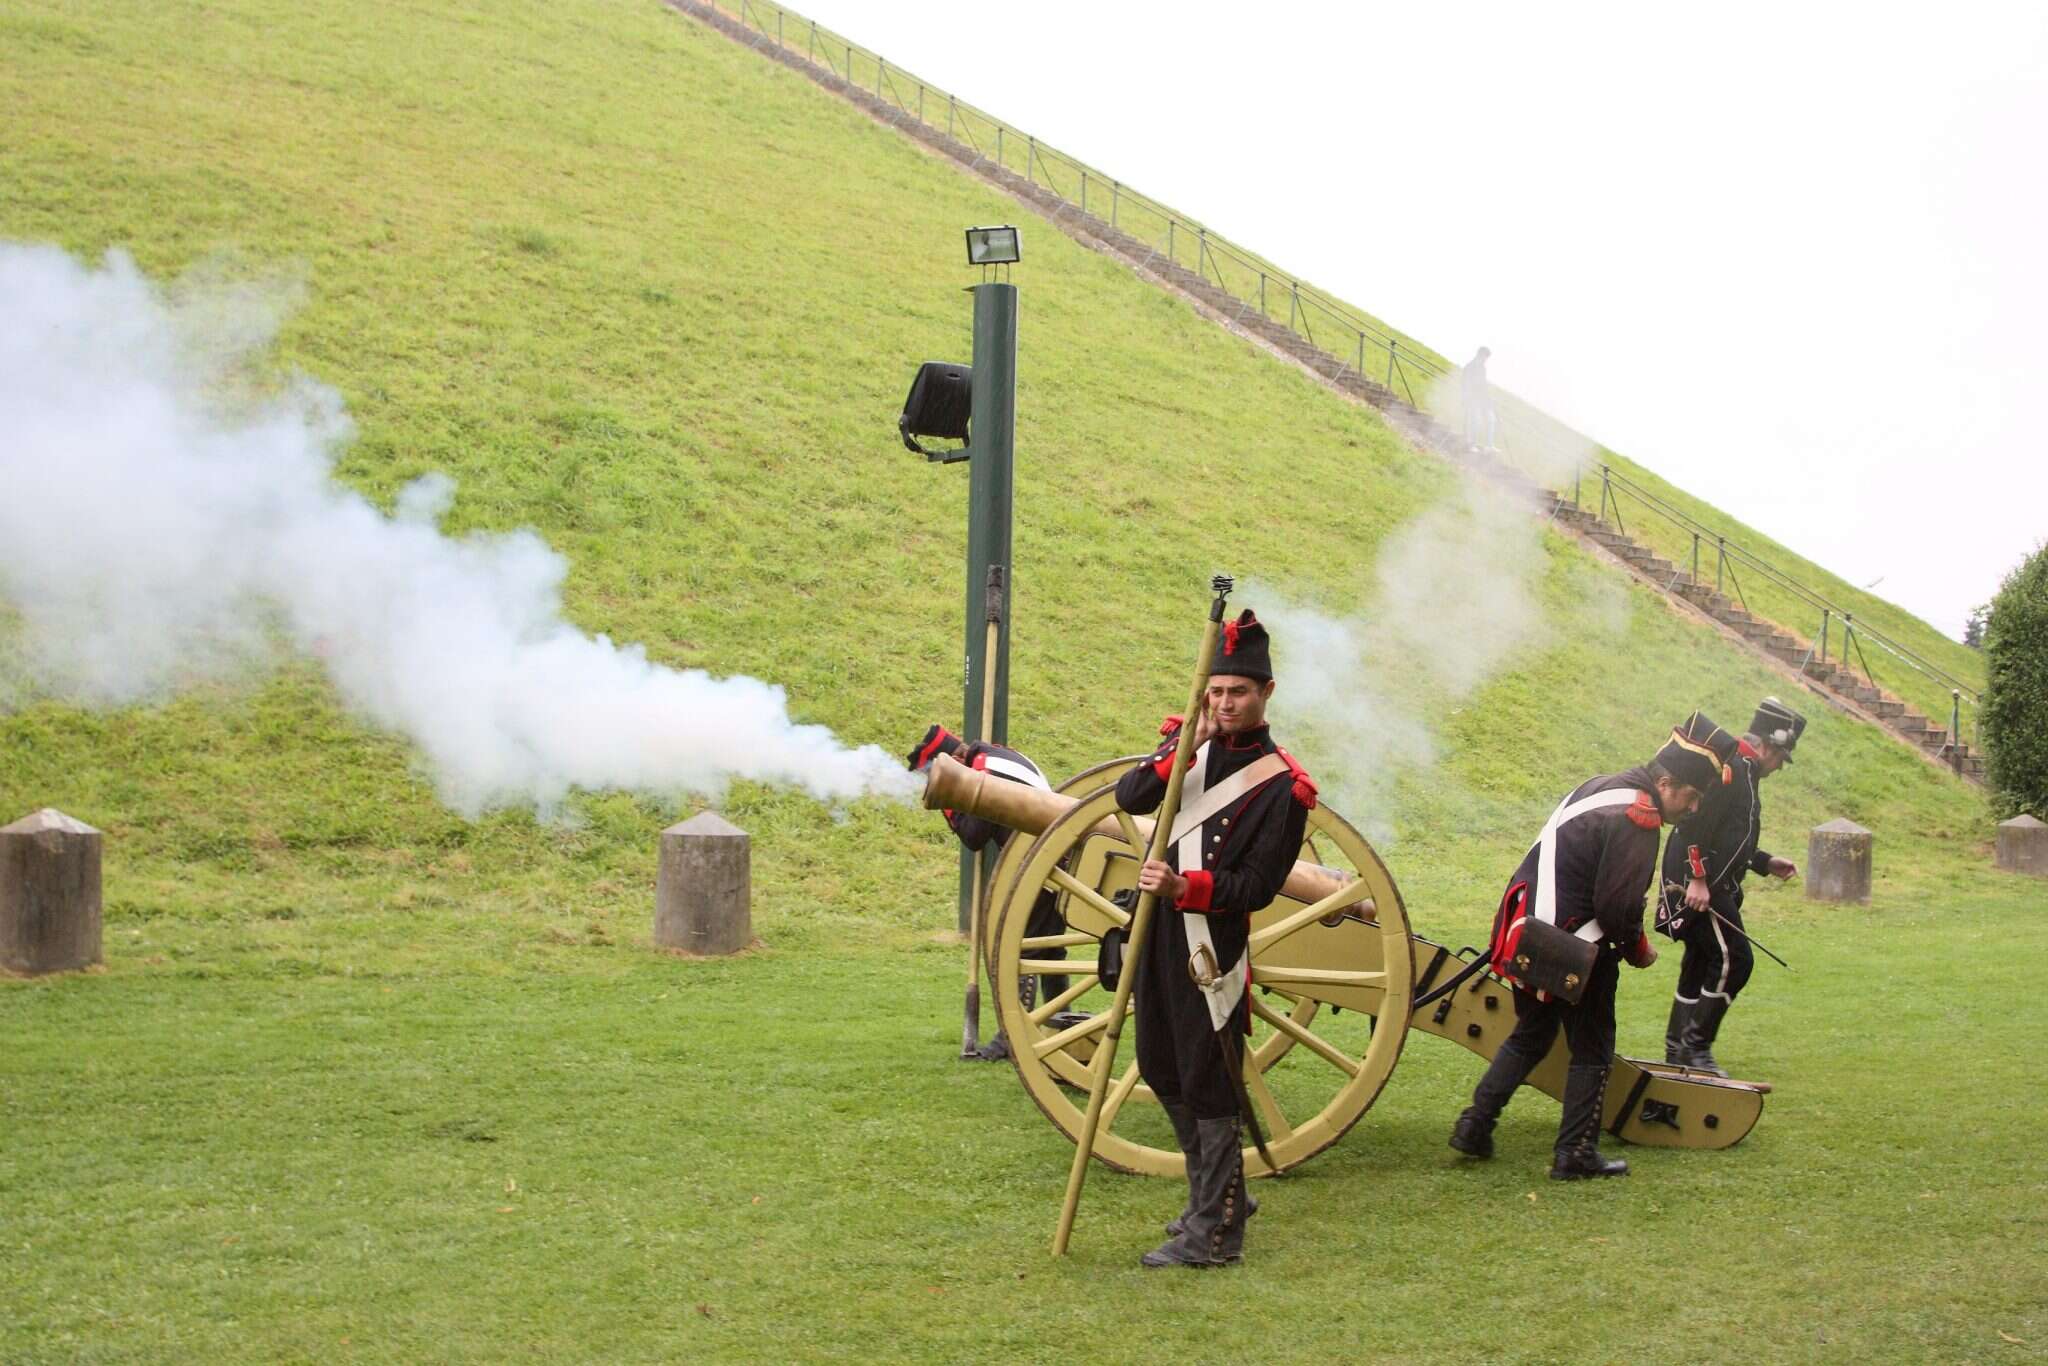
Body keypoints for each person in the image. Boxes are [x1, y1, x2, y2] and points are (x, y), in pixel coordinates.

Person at [1113, 609, 1315, 1269]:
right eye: (1217, 692)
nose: (1225, 704)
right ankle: (1217, 1194)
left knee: (1207, 1080)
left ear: (1266, 694)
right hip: (1157, 936)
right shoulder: (1188, 749)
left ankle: (1218, 1234)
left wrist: (1184, 887)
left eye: (1238, 693)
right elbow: (1131, 793)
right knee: (1161, 1064)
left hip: (1211, 948)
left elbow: (1255, 886)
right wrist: (1185, 744)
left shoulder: (1284, 786)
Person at [1448, 715, 1725, 1179]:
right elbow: (1616, 907)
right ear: (1665, 782)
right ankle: (1575, 1152)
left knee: (1530, 1035)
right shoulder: (1641, 816)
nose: (1693, 808)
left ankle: (1475, 1125)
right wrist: (1639, 949)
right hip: (1579, 947)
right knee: (1593, 1049)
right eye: (1691, 796)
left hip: (1530, 932)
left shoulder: (1601, 786)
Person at [1658, 697, 1805, 1076]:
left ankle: (1677, 1052)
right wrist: (1698, 879)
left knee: (1702, 959)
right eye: (1781, 757)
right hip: (1698, 882)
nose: (1779, 767)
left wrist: (1764, 862)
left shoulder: (1745, 771)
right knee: (1735, 960)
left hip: (1707, 880)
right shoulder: (1732, 770)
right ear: (1767, 746)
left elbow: (1729, 835)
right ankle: (1695, 1049)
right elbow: (1692, 823)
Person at [906, 723, 1065, 1056]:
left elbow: (974, 836)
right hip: (1053, 854)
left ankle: (1013, 1038)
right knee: (1050, 950)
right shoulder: (997, 757)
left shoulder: (985, 775)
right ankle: (1060, 1023)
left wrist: (949, 804)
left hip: (1038, 861)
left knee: (1024, 949)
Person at [1462, 345, 1497, 450]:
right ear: (1479, 355)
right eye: (1484, 357)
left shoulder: (1483, 368)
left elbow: (1483, 385)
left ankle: (1490, 446)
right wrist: (1466, 397)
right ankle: (1471, 444)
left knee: (1491, 420)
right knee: (1476, 421)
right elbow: (1465, 383)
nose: (1485, 359)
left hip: (1483, 399)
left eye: (1487, 358)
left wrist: (1489, 397)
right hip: (1473, 399)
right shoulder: (1469, 367)